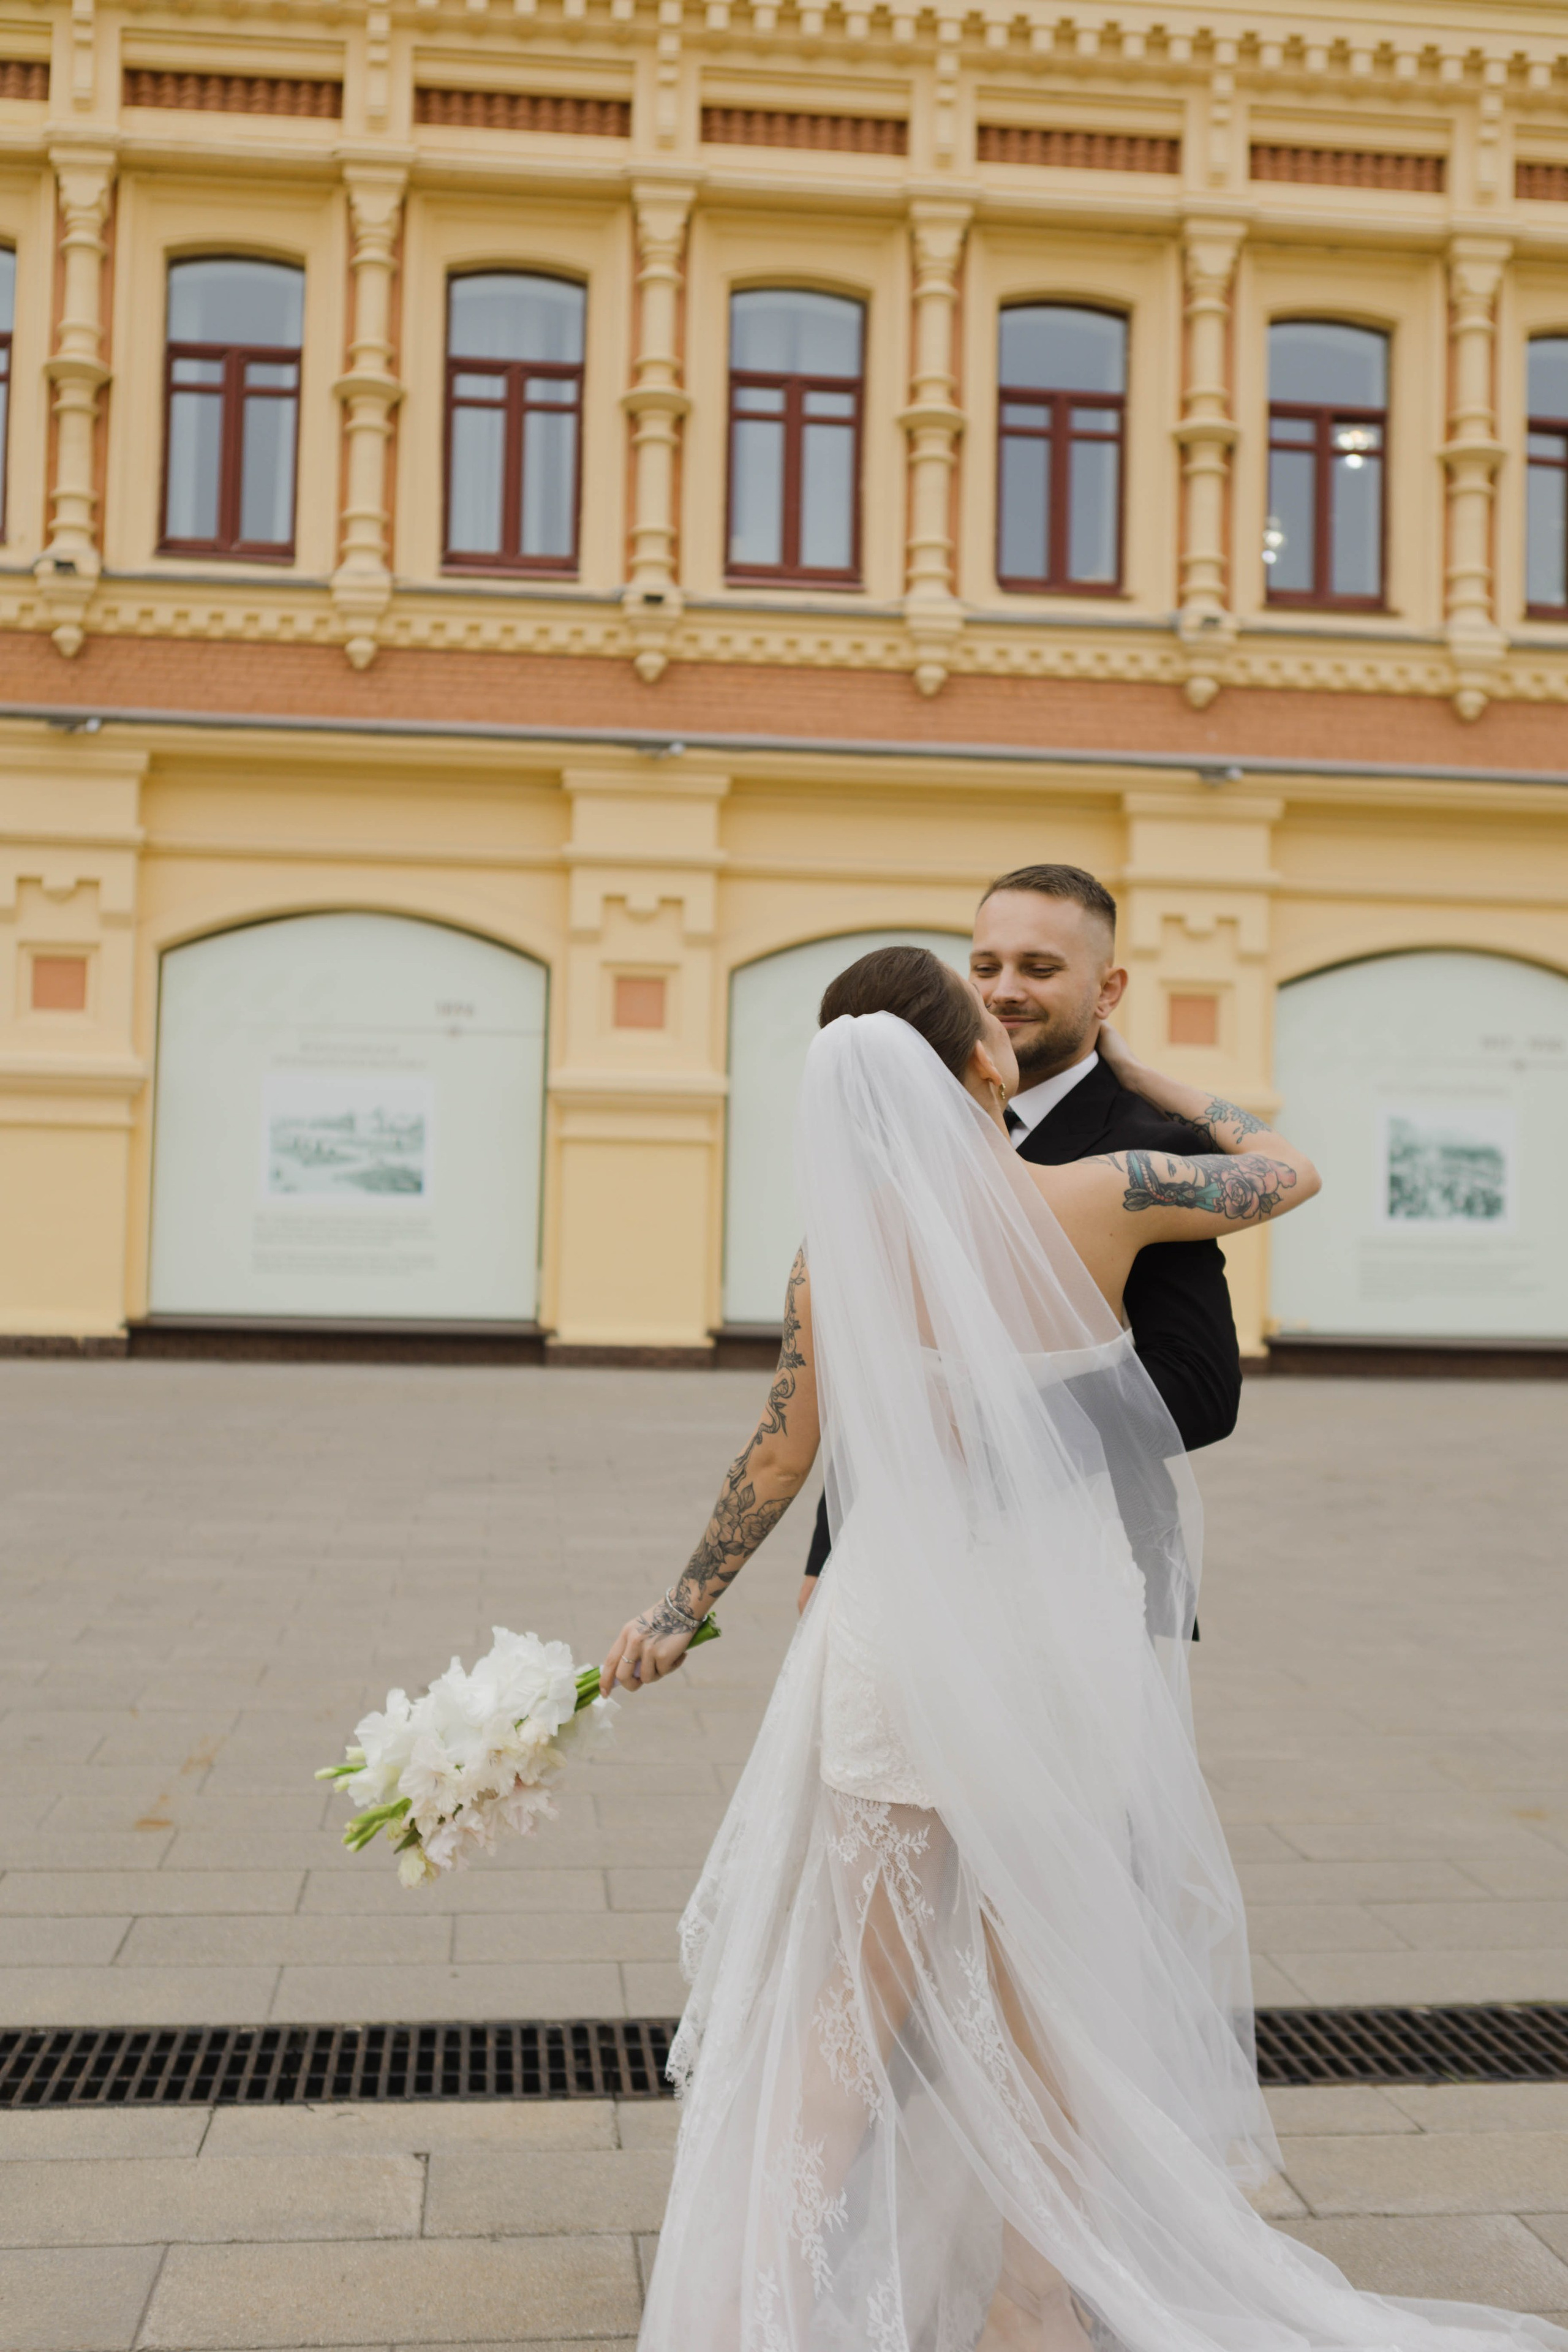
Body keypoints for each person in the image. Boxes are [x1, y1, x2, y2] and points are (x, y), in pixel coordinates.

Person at [599, 945, 1564, 2352]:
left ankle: (768, 2301)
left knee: (849, 1996)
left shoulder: (832, 1266)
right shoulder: (1104, 1198)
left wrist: (675, 1612)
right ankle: (1028, 2304)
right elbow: (1287, 1168)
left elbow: (775, 1458)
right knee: (1040, 1980)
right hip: (1058, 1630)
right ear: (982, 1064)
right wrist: (1157, 1083)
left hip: (893, 1636)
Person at [798, 865, 1240, 1618]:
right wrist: (827, 1555)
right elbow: (895, 1379)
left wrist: (993, 1442)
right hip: (900, 1555)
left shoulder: (1151, 1148)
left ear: (1107, 993)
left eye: (1039, 968)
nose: (1003, 990)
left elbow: (1198, 1385)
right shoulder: (908, 1142)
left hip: (1086, 1571)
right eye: (984, 966)